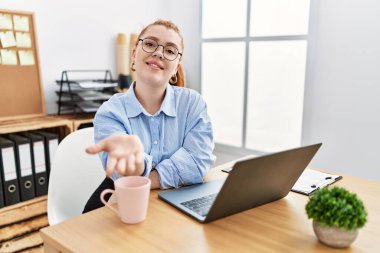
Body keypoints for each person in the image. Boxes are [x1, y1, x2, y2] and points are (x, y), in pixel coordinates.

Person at [83, 19, 215, 213]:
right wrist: (134, 161)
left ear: (177, 65)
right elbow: (122, 176)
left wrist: (145, 179)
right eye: (150, 44)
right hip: (117, 203)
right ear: (135, 53)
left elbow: (197, 164)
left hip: (170, 202)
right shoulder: (110, 112)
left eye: (170, 50)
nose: (159, 52)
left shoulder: (193, 104)